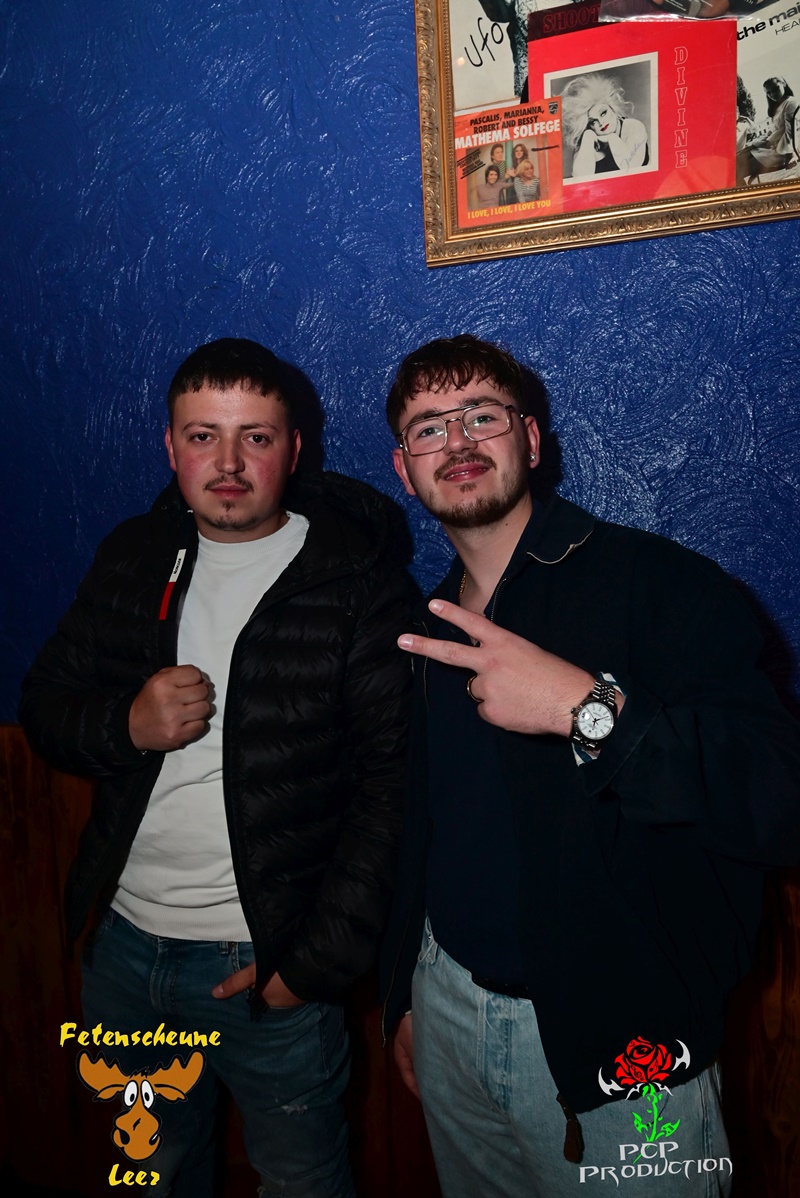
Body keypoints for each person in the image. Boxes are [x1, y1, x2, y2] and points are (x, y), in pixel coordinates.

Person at [379, 334, 800, 1197]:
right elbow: (422, 826)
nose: (456, 441)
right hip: (449, 1015)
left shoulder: (663, 585)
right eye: (429, 428)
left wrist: (586, 707)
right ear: (404, 468)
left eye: (481, 416)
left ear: (531, 440)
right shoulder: (427, 625)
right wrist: (406, 996)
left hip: (628, 1051)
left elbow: (780, 800)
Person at [20, 338, 414, 1198]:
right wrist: (127, 724)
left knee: (304, 1184)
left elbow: (392, 792)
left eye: (255, 438)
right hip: (123, 951)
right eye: (204, 436)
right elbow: (45, 706)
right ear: (171, 447)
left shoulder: (355, 582)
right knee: (148, 1177)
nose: (228, 464)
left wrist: (310, 966)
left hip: (262, 964)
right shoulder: (133, 555)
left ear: (293, 449)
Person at [561, 73, 649, 176]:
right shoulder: (589, 138)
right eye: (593, 121)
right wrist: (588, 137)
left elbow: (630, 167)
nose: (601, 123)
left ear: (613, 108)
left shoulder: (633, 127)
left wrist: (611, 138)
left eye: (603, 113)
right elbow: (580, 177)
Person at [746, 77, 800, 182]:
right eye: (769, 93)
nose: (772, 94)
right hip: (771, 148)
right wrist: (754, 144)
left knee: (737, 168)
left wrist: (791, 154)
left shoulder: (791, 102)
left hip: (782, 151)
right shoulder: (776, 108)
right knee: (738, 158)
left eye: (775, 89)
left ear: (784, 84)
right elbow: (772, 132)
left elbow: (790, 131)